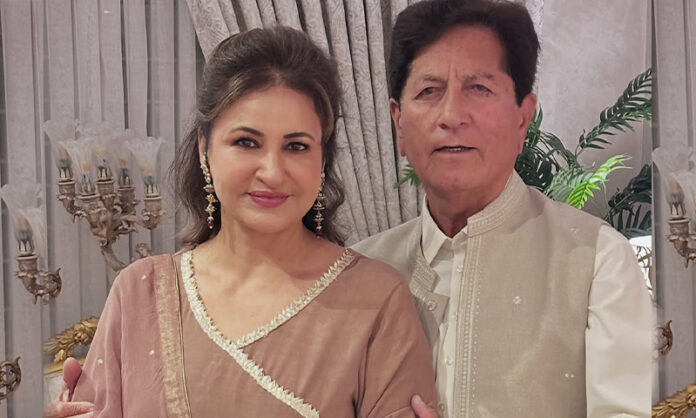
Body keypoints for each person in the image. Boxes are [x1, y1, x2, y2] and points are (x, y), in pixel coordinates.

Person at [44, 26, 436, 417]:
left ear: (322, 160)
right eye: (246, 142)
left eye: (296, 146)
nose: (272, 171)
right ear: (205, 148)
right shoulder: (140, 293)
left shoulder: (376, 299)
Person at [353, 0, 654, 417]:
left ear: (522, 119)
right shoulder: (361, 272)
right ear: (398, 123)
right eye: (428, 91)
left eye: (479, 89)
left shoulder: (597, 261)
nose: (451, 115)